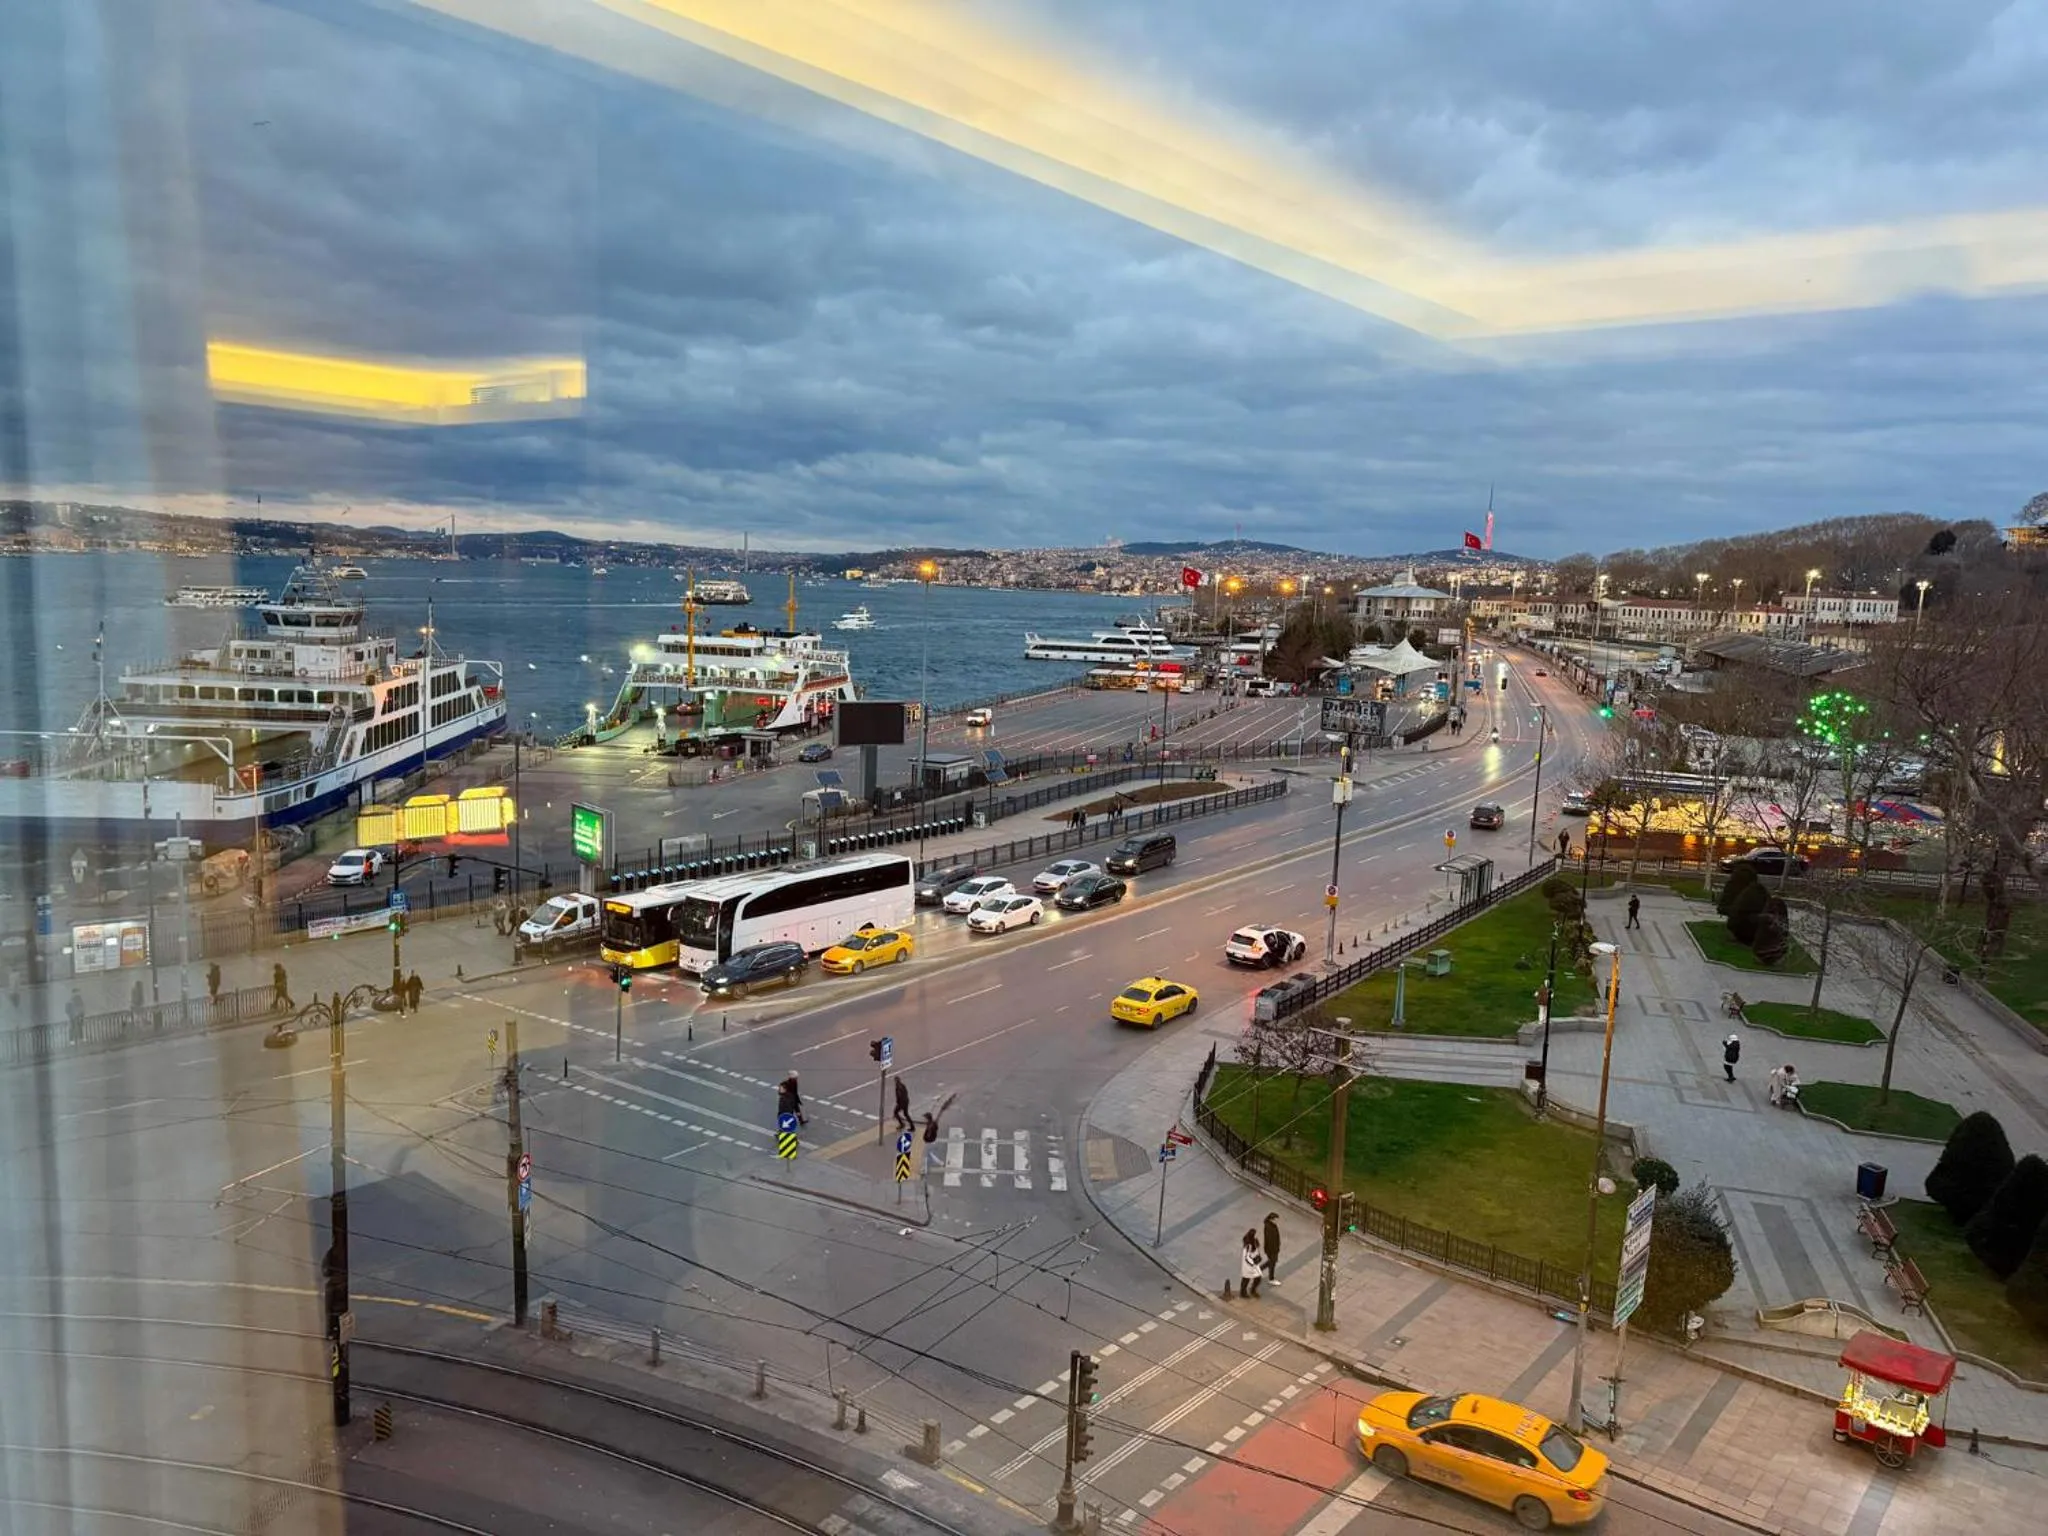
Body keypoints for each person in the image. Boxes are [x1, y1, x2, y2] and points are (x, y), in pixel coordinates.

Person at [1237, 1230, 1263, 1298]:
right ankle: (1243, 1293)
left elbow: (1256, 1250)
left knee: (1258, 1278)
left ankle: (1252, 1290)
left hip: (1253, 1264)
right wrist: (1252, 1263)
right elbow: (1246, 1257)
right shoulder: (1248, 1245)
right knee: (1246, 1279)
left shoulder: (1254, 1241)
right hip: (1248, 1265)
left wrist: (1258, 1256)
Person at [1262, 1211, 1282, 1284]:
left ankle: (1258, 1271)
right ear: (1272, 1219)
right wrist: (1274, 1250)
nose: (1277, 1221)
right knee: (1272, 1263)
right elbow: (1270, 1240)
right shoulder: (1269, 1227)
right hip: (1272, 1250)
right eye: (1276, 1219)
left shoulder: (1273, 1226)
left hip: (1274, 1249)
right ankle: (1271, 1279)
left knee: (1270, 1262)